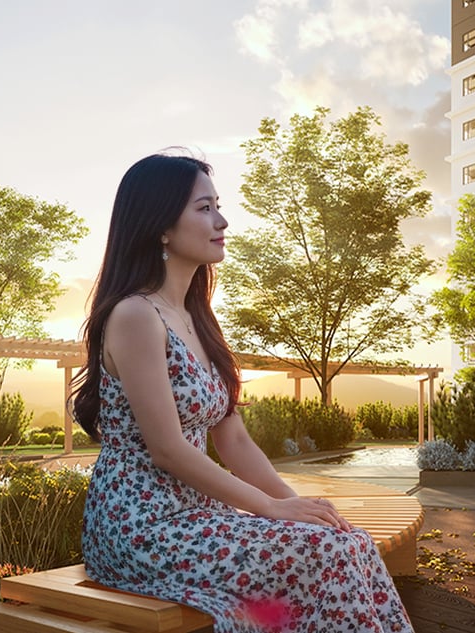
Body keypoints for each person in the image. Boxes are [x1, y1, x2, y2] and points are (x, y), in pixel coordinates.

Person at [71, 153, 413, 632]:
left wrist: (297, 506)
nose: (221, 221)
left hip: (199, 517)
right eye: (204, 208)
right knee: (329, 552)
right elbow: (168, 449)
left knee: (348, 538)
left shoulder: (197, 318)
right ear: (162, 227)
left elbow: (233, 440)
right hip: (143, 527)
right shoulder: (135, 316)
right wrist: (270, 508)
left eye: (218, 206)